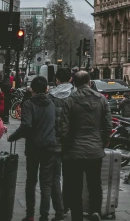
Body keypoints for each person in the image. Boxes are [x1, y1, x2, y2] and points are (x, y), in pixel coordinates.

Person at [60, 70, 112, 221]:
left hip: (74, 151)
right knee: (95, 183)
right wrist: (103, 141)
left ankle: (77, 216)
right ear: (89, 82)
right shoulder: (102, 99)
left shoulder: (69, 101)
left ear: (74, 83)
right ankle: (95, 210)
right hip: (95, 149)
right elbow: (108, 125)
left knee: (75, 186)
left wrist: (67, 145)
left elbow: (64, 128)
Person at [8, 75, 57, 221]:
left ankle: (30, 215)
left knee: (31, 181)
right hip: (49, 146)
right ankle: (44, 215)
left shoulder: (29, 104)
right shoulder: (51, 103)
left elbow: (26, 125)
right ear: (46, 89)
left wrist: (13, 137)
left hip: (34, 147)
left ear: (32, 89)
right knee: (46, 183)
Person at [49, 67, 75, 220]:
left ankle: (59, 209)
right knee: (69, 176)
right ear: (70, 79)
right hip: (71, 142)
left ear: (57, 80)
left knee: (55, 178)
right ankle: (67, 206)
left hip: (55, 142)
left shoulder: (50, 96)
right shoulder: (75, 95)